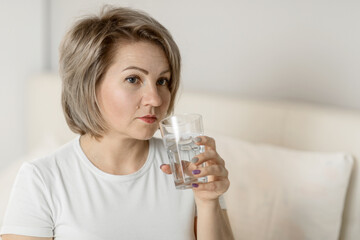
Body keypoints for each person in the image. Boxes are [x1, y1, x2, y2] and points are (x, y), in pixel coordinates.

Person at [0, 6, 233, 240]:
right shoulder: (43, 180)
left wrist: (208, 202)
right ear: (89, 84)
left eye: (162, 81)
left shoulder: (187, 168)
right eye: (133, 79)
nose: (155, 98)